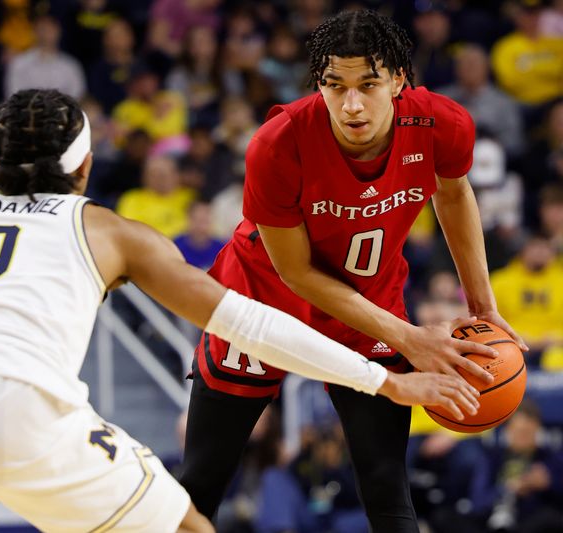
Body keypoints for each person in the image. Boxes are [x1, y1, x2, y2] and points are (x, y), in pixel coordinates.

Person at [0, 89, 480, 533]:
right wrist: (387, 379)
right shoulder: (111, 231)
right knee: (188, 527)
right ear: (85, 165)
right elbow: (248, 321)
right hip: (20, 409)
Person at [178, 10, 524, 533]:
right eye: (334, 86)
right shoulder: (278, 142)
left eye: (368, 84)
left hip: (369, 302)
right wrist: (409, 337)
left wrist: (484, 307)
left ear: (398, 80)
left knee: (387, 488)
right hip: (261, 302)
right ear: (319, 83)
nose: (352, 103)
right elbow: (296, 273)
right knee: (201, 485)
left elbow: (452, 193)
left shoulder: (441, 123)